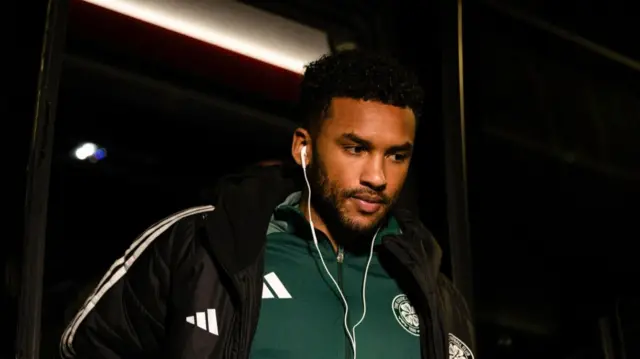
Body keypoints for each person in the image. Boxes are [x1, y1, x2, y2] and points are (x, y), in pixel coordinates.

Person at [60, 50, 475, 359]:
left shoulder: (431, 288)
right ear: (304, 148)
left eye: (396, 156)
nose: (377, 177)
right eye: (355, 148)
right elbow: (89, 348)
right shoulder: (205, 246)